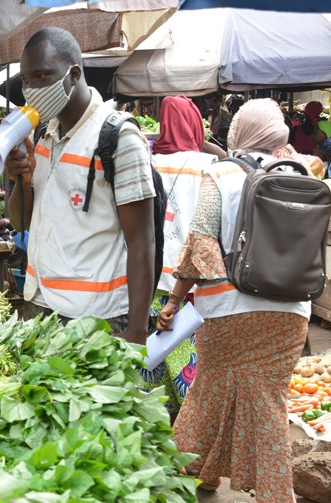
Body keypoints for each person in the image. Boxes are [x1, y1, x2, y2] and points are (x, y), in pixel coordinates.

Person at [157, 99, 309, 501]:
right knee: (269, 402)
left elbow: (200, 239)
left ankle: (182, 472)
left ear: (238, 131)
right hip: (292, 311)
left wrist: (174, 300)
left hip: (228, 311)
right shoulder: (302, 172)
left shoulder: (221, 173)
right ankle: (226, 479)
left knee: (208, 392)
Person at [5, 27, 155, 345]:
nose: (32, 89)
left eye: (42, 75)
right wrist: (23, 181)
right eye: (26, 80)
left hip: (97, 319)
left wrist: (138, 332)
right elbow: (19, 223)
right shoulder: (42, 134)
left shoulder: (118, 137)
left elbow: (142, 239)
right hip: (40, 306)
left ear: (74, 74)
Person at [141, 96, 219, 414]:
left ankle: (156, 422)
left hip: (146, 274)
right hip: (187, 278)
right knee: (188, 355)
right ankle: (193, 425)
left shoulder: (146, 162)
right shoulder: (207, 165)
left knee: (153, 354)